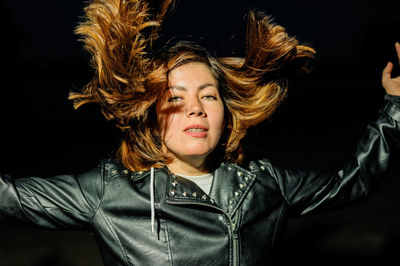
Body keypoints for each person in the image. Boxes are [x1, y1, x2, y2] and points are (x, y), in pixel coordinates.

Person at [1, 0, 400, 265]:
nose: (196, 107)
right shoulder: (111, 193)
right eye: (176, 97)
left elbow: (353, 181)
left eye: (209, 96)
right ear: (152, 114)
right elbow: (10, 197)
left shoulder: (264, 184)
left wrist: (394, 105)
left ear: (226, 113)